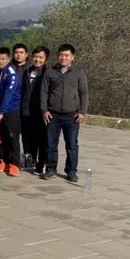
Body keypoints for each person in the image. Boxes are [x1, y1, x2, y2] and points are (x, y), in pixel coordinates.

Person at [40, 44, 89, 182]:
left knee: (72, 145)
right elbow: (44, 93)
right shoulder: (50, 72)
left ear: (72, 57)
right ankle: (51, 169)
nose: (63, 58)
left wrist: (82, 112)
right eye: (61, 55)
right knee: (50, 144)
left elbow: (84, 93)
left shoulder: (78, 73)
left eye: (66, 55)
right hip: (52, 115)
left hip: (72, 115)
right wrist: (44, 110)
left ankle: (71, 171)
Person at [0, 47, 22, 177]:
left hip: (10, 111)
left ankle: (15, 164)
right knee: (1, 137)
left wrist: (2, 112)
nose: (0, 61)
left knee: (12, 138)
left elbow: (8, 95)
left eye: (3, 59)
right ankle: (3, 161)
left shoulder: (11, 74)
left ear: (8, 59)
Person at [21, 46, 49, 175]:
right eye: (36, 57)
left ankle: (41, 164)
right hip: (26, 111)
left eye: (41, 57)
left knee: (42, 140)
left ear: (46, 59)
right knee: (27, 139)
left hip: (41, 112)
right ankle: (29, 162)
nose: (37, 60)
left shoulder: (48, 73)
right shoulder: (26, 72)